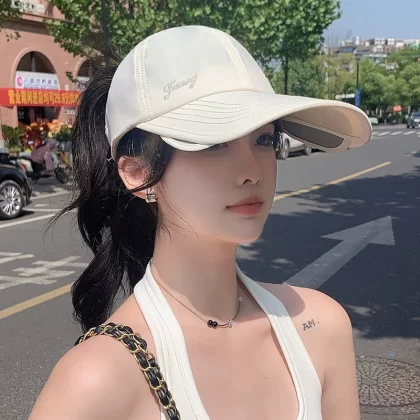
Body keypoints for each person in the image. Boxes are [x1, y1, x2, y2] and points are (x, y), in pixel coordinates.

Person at [29, 25, 371, 420]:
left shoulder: (320, 327)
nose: (252, 172)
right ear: (137, 172)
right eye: (213, 144)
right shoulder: (95, 381)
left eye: (264, 140)